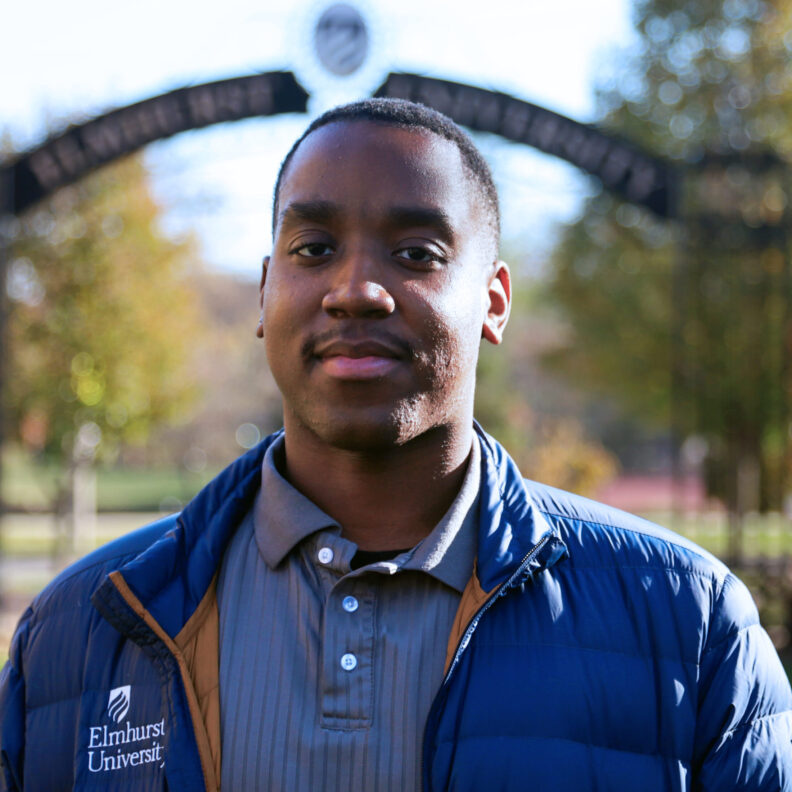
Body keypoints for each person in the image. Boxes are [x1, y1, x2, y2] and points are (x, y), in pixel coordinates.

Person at [1, 98, 791, 792]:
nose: (356, 289)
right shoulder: (78, 632)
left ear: (494, 300)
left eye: (416, 254)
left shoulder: (686, 622)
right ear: (266, 290)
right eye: (313, 249)